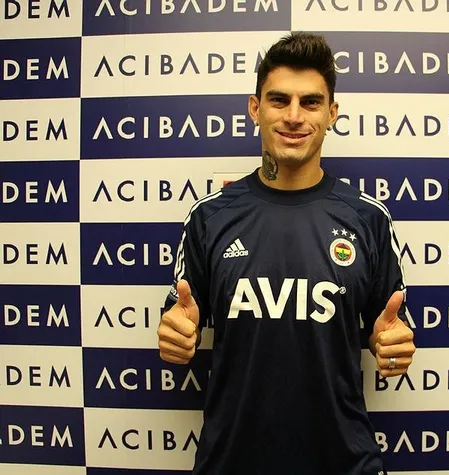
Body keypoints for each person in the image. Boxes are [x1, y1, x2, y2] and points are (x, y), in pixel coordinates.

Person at [157, 32, 416, 475]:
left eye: (311, 102)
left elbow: (388, 330)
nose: (294, 116)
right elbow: (180, 321)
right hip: (232, 462)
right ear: (255, 108)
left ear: (331, 113)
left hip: (343, 462)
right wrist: (176, 335)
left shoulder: (367, 217)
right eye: (279, 100)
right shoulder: (209, 217)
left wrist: (390, 344)